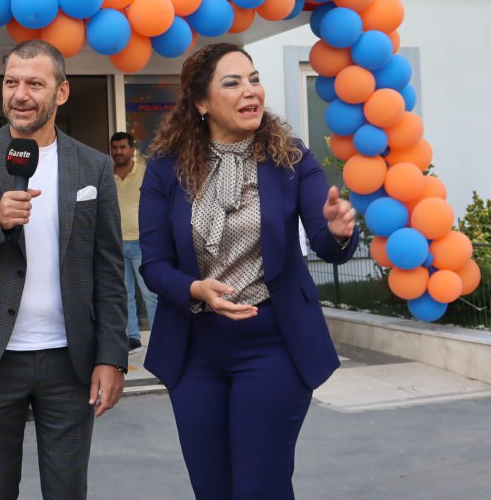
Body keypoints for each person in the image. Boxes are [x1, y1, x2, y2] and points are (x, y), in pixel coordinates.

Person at [138, 43, 359, 500]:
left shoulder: (290, 158)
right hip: (194, 350)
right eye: (233, 82)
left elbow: (325, 243)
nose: (250, 90)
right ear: (202, 102)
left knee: (260, 487)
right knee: (212, 488)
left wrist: (339, 232)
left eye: (254, 79)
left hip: (273, 343)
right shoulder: (164, 168)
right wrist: (195, 288)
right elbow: (154, 265)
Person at [0, 39, 128, 500]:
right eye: (11, 82)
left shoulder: (93, 166)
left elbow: (109, 270)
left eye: (35, 84)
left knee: (67, 491)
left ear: (61, 92)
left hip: (69, 361)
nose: (20, 94)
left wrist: (111, 356)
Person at [109, 131, 157, 353]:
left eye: (122, 147)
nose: (118, 152)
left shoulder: (144, 173)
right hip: (116, 243)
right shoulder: (107, 175)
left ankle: (158, 337)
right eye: (114, 148)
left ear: (132, 149)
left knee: (150, 294)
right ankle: (133, 337)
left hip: (141, 242)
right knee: (125, 294)